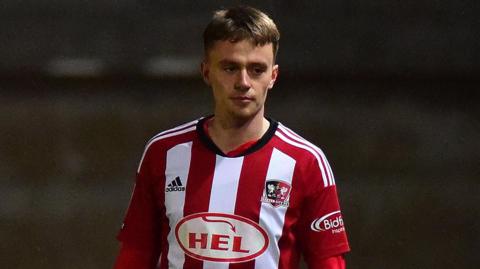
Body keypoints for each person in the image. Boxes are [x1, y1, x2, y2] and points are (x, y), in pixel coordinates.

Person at [114, 5, 350, 269]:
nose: (244, 82)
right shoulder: (164, 153)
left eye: (257, 69)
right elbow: (135, 256)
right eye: (230, 68)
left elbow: (328, 263)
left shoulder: (306, 162)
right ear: (206, 72)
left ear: (273, 76)